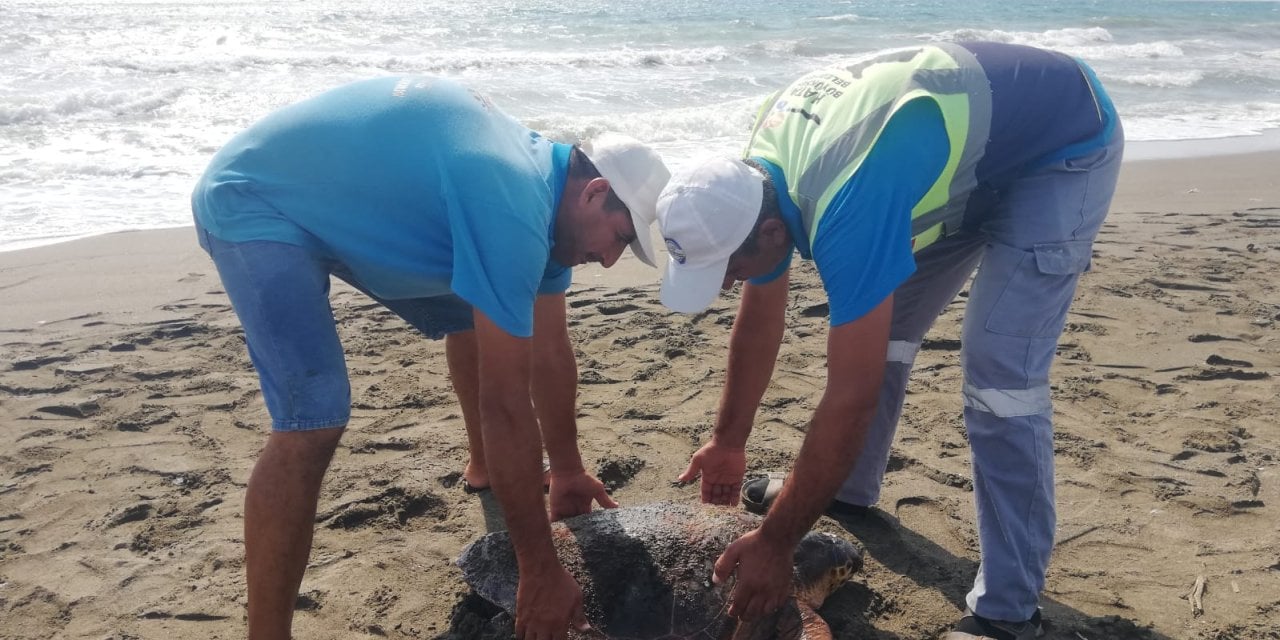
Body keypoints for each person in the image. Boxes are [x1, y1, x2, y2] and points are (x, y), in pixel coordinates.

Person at [657, 42, 1122, 640]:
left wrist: (777, 542)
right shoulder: (750, 184)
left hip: (1060, 145)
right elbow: (761, 310)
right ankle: (848, 491)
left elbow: (852, 394)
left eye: (725, 270)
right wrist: (727, 440)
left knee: (1000, 377)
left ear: (771, 232)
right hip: (961, 164)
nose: (724, 284)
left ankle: (1008, 611)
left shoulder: (848, 205)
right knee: (890, 330)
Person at [190, 76, 670, 640]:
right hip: (254, 199)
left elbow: (550, 351)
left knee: (485, 306)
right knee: (315, 414)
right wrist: (539, 570)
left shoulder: (549, 204)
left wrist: (565, 470)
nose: (611, 261)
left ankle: (485, 466)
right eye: (618, 236)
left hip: (342, 200)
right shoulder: (513, 201)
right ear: (594, 191)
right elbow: (508, 405)